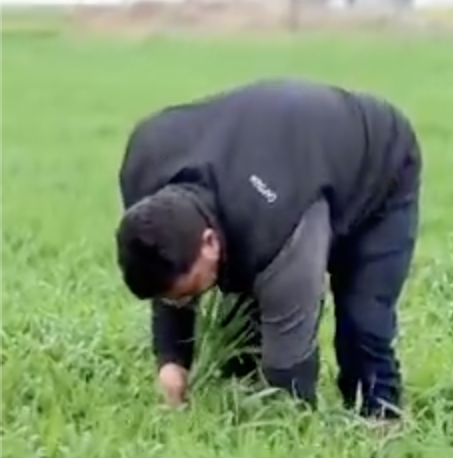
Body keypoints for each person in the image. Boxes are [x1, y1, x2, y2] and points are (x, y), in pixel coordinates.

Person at [115, 77, 422, 420]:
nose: (184, 302)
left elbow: (291, 365)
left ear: (210, 242)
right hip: (277, 154)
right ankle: (238, 395)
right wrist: (171, 362)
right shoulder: (145, 174)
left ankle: (381, 423)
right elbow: (164, 264)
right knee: (241, 321)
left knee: (363, 322)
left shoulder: (276, 228)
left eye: (188, 293)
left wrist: (287, 423)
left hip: (376, 161)